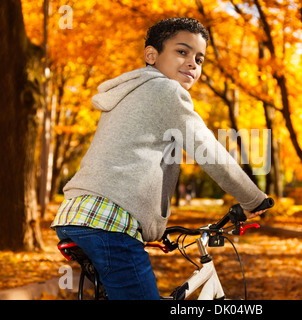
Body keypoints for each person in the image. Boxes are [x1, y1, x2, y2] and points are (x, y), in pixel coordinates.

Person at [51, 17, 267, 300]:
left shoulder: (130, 94)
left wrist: (152, 228)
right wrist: (254, 199)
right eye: (182, 51)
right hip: (108, 223)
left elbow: (130, 163)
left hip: (77, 215)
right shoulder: (166, 90)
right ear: (151, 55)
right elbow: (210, 152)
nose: (192, 63)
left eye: (199, 59)